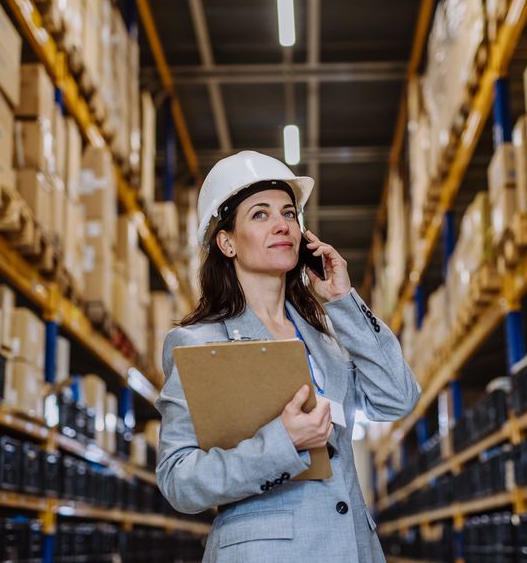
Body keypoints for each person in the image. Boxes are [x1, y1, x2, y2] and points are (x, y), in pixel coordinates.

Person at [155, 150, 420, 563]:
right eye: (260, 215)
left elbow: (397, 397)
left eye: (289, 213)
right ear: (226, 241)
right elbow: (178, 480)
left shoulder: (327, 339)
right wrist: (282, 443)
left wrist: (343, 302)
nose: (282, 225)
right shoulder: (197, 344)